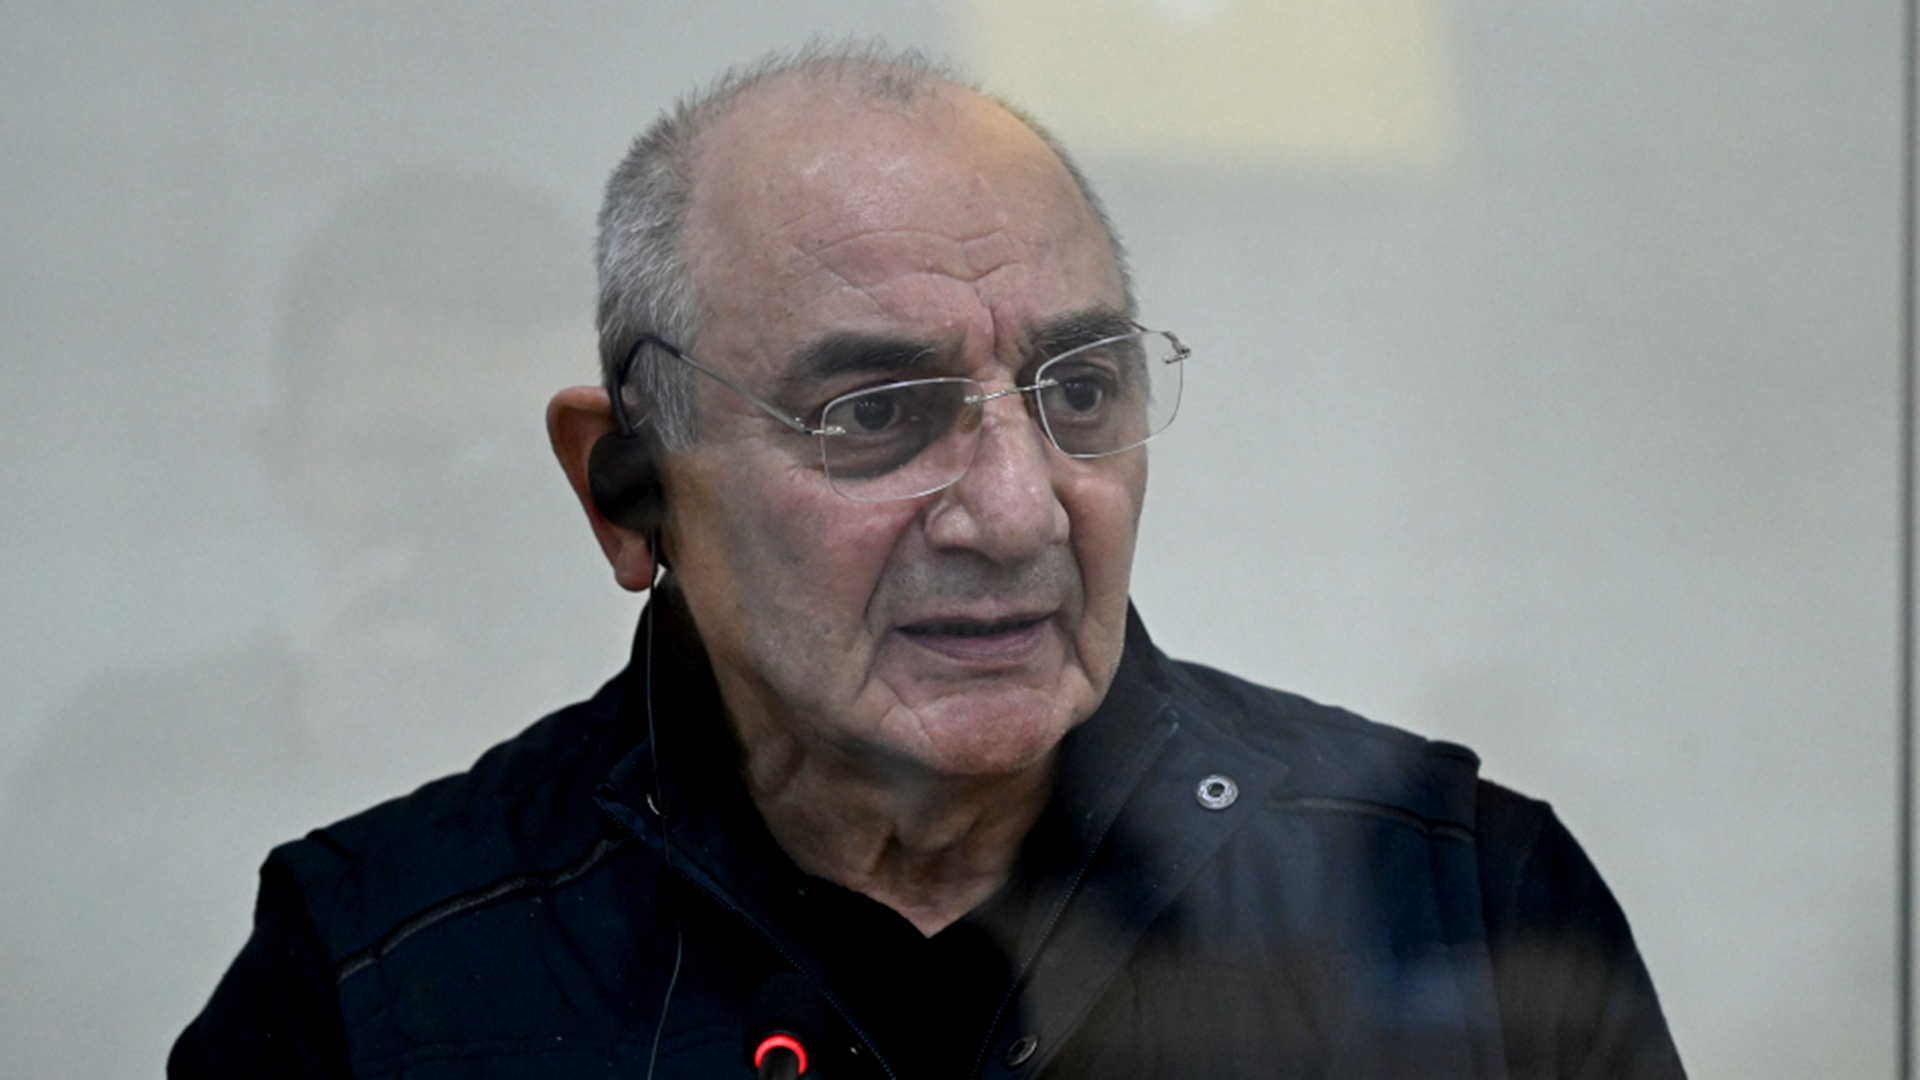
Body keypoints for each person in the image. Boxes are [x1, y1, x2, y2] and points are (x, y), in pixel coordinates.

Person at [170, 43, 1685, 1080]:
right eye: (876, 414)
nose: (1017, 513)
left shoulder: (1460, 902)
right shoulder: (383, 980)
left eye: (1080, 393)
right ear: (628, 489)